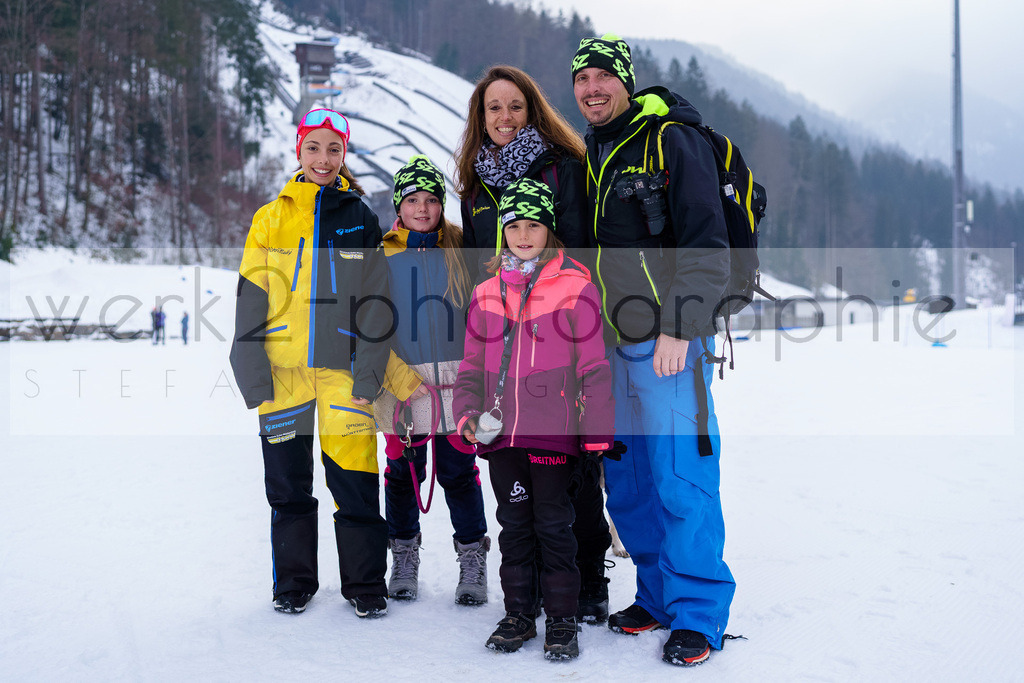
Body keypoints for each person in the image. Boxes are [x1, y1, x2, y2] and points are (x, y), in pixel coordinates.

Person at [571, 34, 736, 667]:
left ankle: (697, 612)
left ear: (625, 80)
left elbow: (706, 240)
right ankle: (657, 594)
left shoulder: (673, 140)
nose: (591, 89)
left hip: (667, 344)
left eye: (602, 77)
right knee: (631, 481)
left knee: (680, 477)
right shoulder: (594, 149)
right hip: (609, 347)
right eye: (582, 80)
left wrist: (682, 325)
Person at [455, 63, 615, 625]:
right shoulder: (475, 184)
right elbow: (479, 266)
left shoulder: (561, 168)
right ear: (481, 116)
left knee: (573, 478)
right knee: (525, 497)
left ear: (532, 111)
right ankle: (536, 593)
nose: (504, 117)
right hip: (505, 350)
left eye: (515, 106)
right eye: (493, 108)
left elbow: (583, 249)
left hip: (562, 334)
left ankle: (589, 581)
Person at [229, 108, 393, 619]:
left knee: (356, 479)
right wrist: (250, 370)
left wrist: (368, 373)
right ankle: (295, 582)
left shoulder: (359, 218)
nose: (324, 159)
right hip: (282, 375)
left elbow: (375, 304)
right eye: (314, 148)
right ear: (298, 150)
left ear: (345, 155)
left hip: (343, 375)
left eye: (334, 149)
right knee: (287, 484)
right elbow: (250, 299)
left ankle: (365, 584)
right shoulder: (270, 218)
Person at [376, 155, 490, 605]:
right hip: (403, 386)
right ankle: (403, 553)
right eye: (412, 200)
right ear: (398, 206)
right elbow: (370, 327)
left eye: (431, 200)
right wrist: (399, 380)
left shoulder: (460, 251)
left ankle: (472, 558)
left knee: (460, 472)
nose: (422, 209)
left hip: (457, 384)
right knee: (403, 472)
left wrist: (473, 376)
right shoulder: (382, 256)